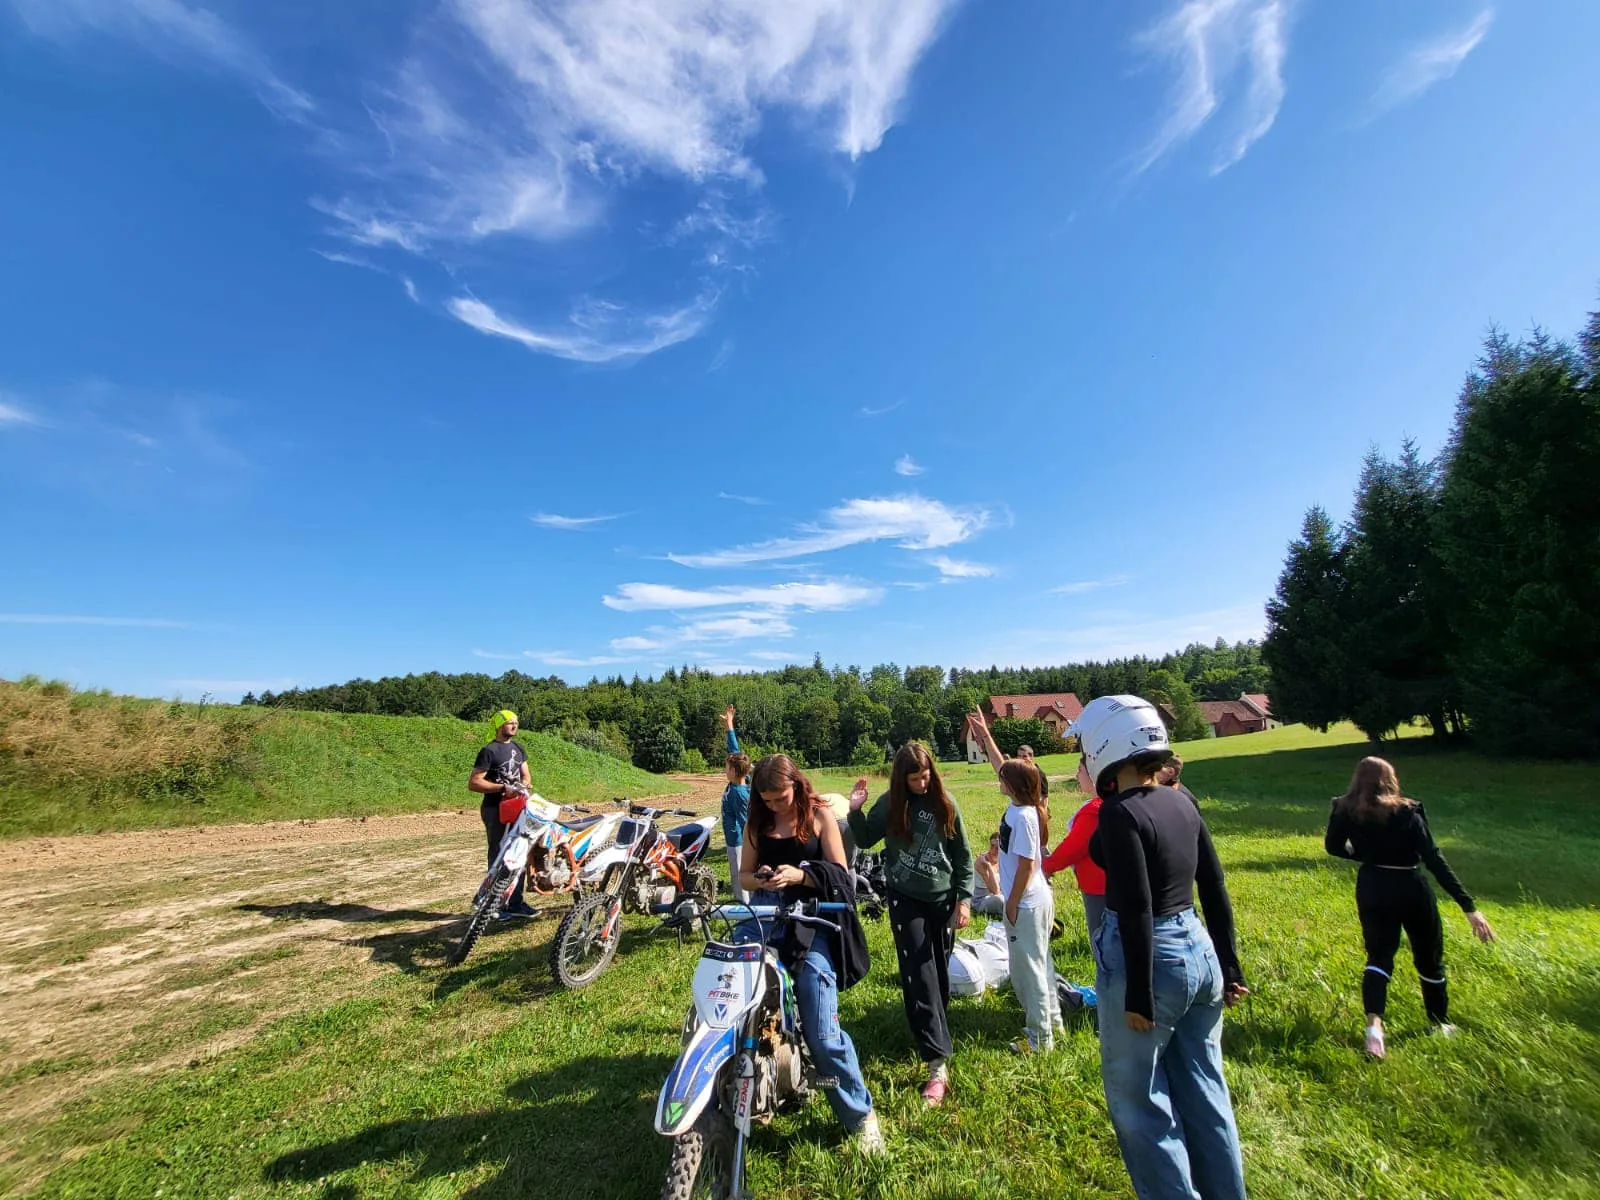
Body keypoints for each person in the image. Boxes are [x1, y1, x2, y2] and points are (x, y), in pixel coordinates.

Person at [1075, 694, 1248, 1200]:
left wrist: (1139, 997)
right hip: (1199, 950)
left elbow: (1135, 906)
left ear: (1107, 746)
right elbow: (1213, 886)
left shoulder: (1119, 813)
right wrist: (1230, 964)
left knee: (1142, 1106)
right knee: (1205, 1089)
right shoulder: (1183, 800)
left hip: (1150, 961)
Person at [739, 754, 885, 1153]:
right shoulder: (758, 821)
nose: (774, 806)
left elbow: (842, 875)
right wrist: (765, 880)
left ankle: (860, 1116)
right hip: (766, 918)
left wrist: (802, 875)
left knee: (822, 1034)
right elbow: (744, 875)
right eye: (766, 800)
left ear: (797, 786)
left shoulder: (820, 816)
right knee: (731, 1003)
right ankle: (739, 1090)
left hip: (812, 922)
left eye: (780, 798)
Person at [1324, 756, 1496, 1059]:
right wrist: (1469, 907)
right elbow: (1433, 858)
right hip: (1410, 887)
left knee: (1379, 956)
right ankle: (1439, 1022)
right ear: (1390, 779)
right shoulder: (1407, 812)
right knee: (1428, 956)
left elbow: (1333, 847)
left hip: (1372, 885)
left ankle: (1374, 1028)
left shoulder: (1344, 809)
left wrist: (1359, 853)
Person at [847, 742, 974, 1106]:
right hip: (906, 898)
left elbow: (962, 854)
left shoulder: (945, 803)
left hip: (943, 897)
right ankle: (937, 1062)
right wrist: (855, 810)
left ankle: (933, 1024)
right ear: (901, 779)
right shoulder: (890, 804)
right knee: (919, 972)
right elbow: (867, 837)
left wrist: (964, 898)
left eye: (926, 775)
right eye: (915, 778)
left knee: (939, 970)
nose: (922, 782)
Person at [995, 758, 1062, 1053]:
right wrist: (984, 736)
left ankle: (1039, 1038)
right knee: (1041, 964)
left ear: (1012, 785)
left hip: (1027, 903)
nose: (998, 781)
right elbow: (1004, 765)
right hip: (1034, 900)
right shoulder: (1024, 808)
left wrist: (1012, 903)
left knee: (1030, 970)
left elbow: (1027, 865)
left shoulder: (1023, 816)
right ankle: (1053, 1024)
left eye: (1002, 778)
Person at [468, 709, 534, 918]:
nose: (514, 725)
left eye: (516, 722)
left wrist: (523, 785)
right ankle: (493, 906)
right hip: (494, 808)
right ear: (498, 726)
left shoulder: (518, 748)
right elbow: (475, 782)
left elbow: (526, 775)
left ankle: (515, 903)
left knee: (519, 852)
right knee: (498, 855)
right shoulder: (489, 751)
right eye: (509, 722)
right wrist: (502, 788)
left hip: (517, 807)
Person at [1043, 753, 1107, 936]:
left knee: (1101, 938)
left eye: (1080, 770)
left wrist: (1046, 866)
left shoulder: (1093, 811)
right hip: (1110, 883)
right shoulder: (1107, 803)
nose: (1077, 775)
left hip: (1099, 886)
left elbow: (1073, 848)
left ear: (1094, 774)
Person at [969, 710, 1050, 799]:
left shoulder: (1037, 774)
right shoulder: (1017, 773)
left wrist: (985, 734)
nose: (1021, 759)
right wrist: (985, 733)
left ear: (1032, 757)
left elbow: (1044, 800)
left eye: (1024, 756)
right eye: (1019, 756)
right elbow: (999, 765)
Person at [720, 704, 752, 904]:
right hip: (735, 839)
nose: (724, 767)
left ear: (733, 771)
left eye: (726, 766)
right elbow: (735, 750)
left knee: (739, 875)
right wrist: (729, 725)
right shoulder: (741, 779)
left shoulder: (739, 794)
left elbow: (746, 821)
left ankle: (745, 908)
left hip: (738, 841)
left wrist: (748, 846)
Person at [972, 830, 1006, 917]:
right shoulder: (982, 862)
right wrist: (989, 867)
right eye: (992, 846)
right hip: (981, 901)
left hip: (997, 895)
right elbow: (995, 890)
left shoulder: (1003, 860)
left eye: (997, 848)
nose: (993, 850)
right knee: (1000, 900)